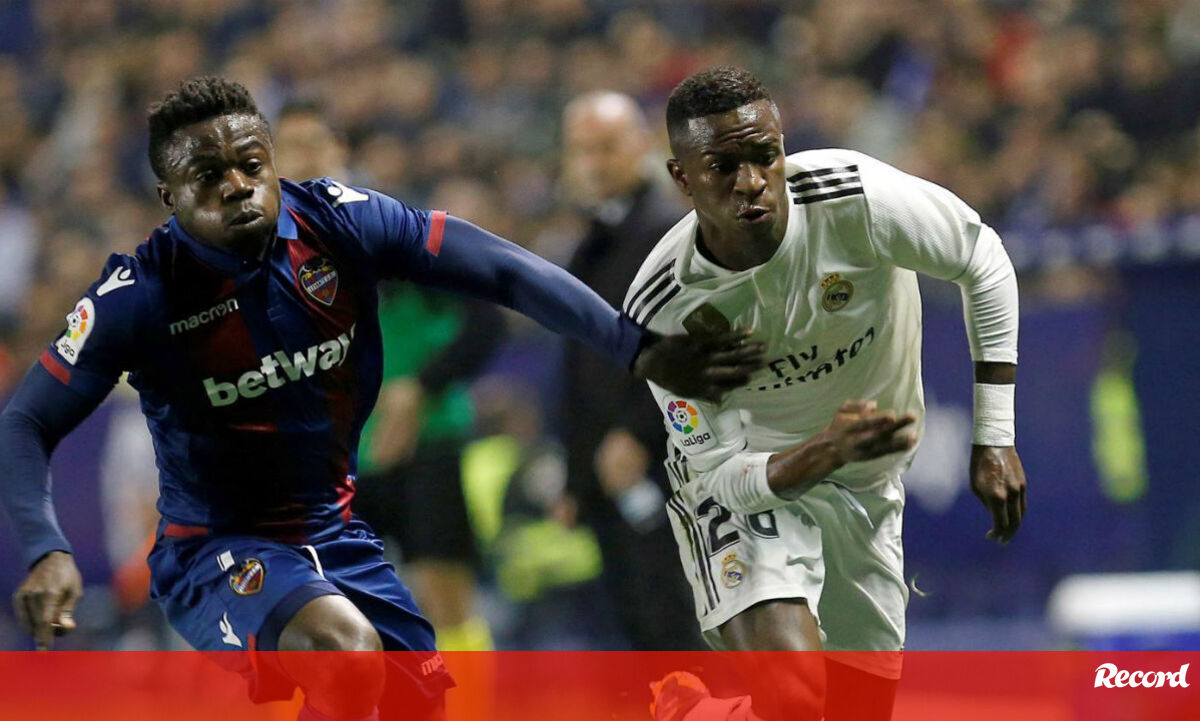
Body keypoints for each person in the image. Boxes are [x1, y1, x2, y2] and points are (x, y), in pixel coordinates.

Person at [0, 76, 764, 721]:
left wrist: (639, 348)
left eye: (251, 164)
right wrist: (44, 545)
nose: (237, 185)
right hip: (219, 545)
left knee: (413, 700)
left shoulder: (338, 220)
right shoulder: (138, 296)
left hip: (335, 530)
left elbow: (503, 269)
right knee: (345, 650)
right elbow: (27, 418)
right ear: (169, 195)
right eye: (208, 176)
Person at [633, 67, 1027, 721]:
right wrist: (822, 450)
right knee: (794, 700)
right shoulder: (663, 309)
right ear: (682, 177)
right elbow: (721, 478)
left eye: (765, 156)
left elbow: (982, 260)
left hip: (866, 485)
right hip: (753, 482)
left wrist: (995, 435)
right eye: (722, 166)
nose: (751, 181)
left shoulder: (856, 199)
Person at [275, 100, 500, 653]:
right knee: (341, 610)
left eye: (313, 144)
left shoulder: (391, 227)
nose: (303, 159)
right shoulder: (271, 258)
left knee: (444, 592)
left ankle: (472, 700)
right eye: (289, 149)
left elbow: (484, 320)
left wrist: (418, 389)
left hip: (425, 439)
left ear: (340, 150)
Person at [558, 91, 703, 650]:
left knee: (676, 613)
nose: (594, 163)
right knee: (634, 625)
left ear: (642, 145)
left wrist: (638, 433)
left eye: (607, 147)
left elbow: (688, 344)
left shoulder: (672, 233)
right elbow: (579, 362)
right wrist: (575, 476)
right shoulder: (589, 244)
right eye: (582, 150)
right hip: (605, 474)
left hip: (666, 463)